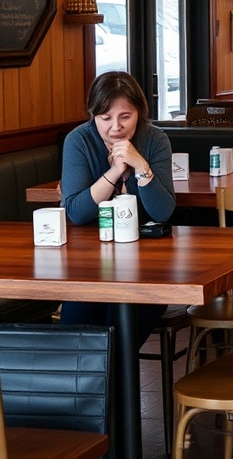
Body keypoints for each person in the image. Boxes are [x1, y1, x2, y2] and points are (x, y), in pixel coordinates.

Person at [60, 71, 176, 347]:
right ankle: (98, 388)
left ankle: (115, 387)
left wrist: (140, 165)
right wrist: (115, 171)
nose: (115, 127)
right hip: (89, 266)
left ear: (139, 112)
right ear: (93, 115)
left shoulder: (155, 140)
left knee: (119, 335)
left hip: (148, 267)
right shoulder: (79, 141)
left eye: (125, 116)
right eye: (105, 118)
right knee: (75, 336)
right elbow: (75, 213)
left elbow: (162, 212)